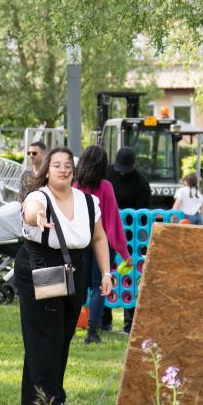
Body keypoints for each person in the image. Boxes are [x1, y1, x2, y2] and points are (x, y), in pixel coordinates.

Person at [16, 147, 113, 405]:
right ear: (47, 170)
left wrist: (106, 272)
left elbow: (99, 238)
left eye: (68, 165)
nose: (63, 169)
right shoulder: (39, 196)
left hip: (74, 266)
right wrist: (36, 217)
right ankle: (51, 403)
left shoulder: (88, 201)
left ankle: (38, 400)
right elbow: (31, 211)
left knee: (63, 334)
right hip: (41, 264)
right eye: (57, 165)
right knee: (46, 334)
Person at [75, 146, 131, 344]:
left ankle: (72, 326)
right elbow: (113, 221)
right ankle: (92, 332)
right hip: (103, 244)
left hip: (79, 244)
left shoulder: (75, 187)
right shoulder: (105, 187)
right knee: (100, 287)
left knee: (79, 288)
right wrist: (125, 253)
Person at [104, 147, 151, 334]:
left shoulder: (141, 183)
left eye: (126, 169)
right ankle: (103, 320)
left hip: (129, 238)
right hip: (106, 234)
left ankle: (129, 322)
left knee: (129, 279)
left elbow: (144, 215)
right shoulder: (107, 173)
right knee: (106, 274)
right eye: (120, 168)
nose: (122, 172)